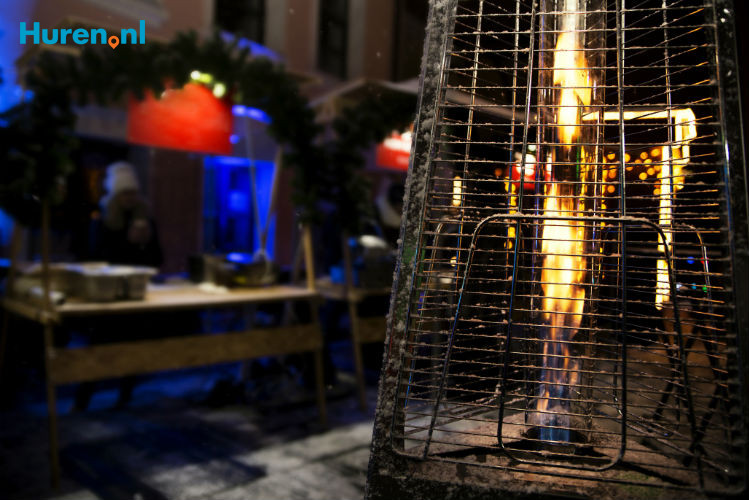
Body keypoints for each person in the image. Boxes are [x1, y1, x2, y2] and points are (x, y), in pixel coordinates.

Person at [73, 161, 162, 412]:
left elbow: (157, 259)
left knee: (132, 351)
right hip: (108, 296)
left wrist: (144, 243)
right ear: (115, 194)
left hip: (135, 295)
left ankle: (125, 398)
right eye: (125, 193)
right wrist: (129, 243)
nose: (130, 198)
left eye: (133, 192)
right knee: (98, 351)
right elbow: (96, 258)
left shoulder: (145, 218)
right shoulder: (102, 219)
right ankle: (82, 401)